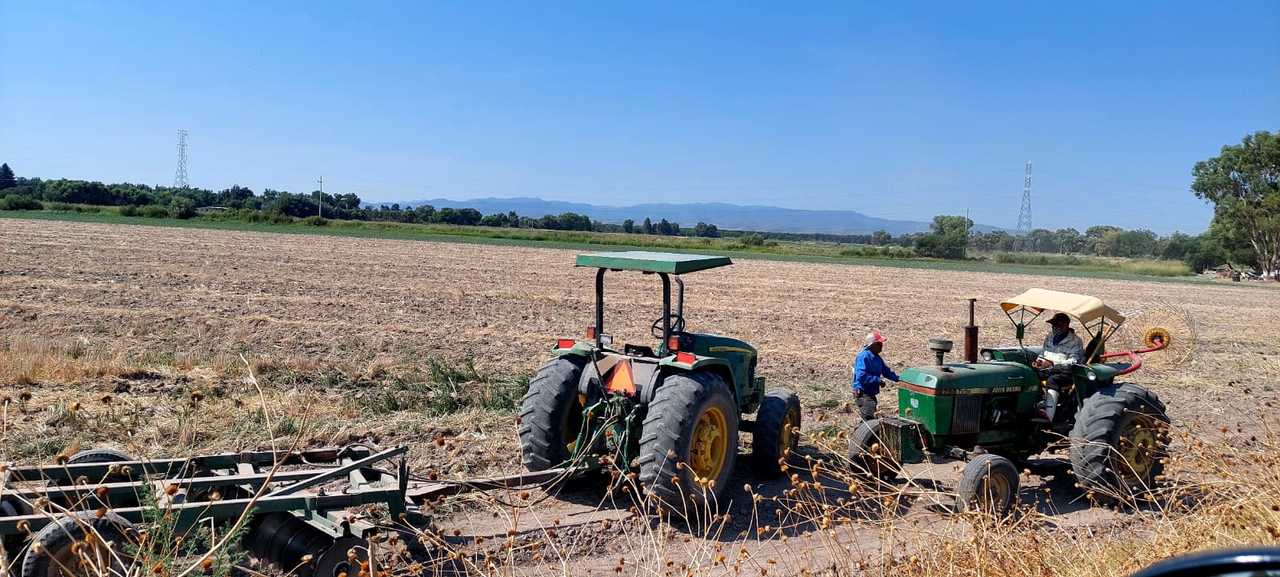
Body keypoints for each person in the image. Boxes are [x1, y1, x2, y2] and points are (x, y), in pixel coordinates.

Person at [1033, 312, 1085, 421]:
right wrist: (1039, 361)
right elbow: (1043, 353)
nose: (1055, 328)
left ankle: (1048, 417)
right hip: (1047, 368)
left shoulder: (1075, 341)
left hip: (1067, 371)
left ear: (1066, 325)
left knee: (1053, 380)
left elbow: (1074, 361)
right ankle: (1037, 405)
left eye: (1058, 325)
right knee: (1030, 375)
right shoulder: (1049, 337)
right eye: (1053, 325)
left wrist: (1053, 364)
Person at [852, 330, 899, 423]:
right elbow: (861, 376)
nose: (881, 345)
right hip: (863, 393)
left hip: (870, 392)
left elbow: (886, 372)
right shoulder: (863, 356)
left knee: (869, 417)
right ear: (872, 345)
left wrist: (899, 379)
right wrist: (877, 380)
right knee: (869, 418)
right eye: (879, 343)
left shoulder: (876, 357)